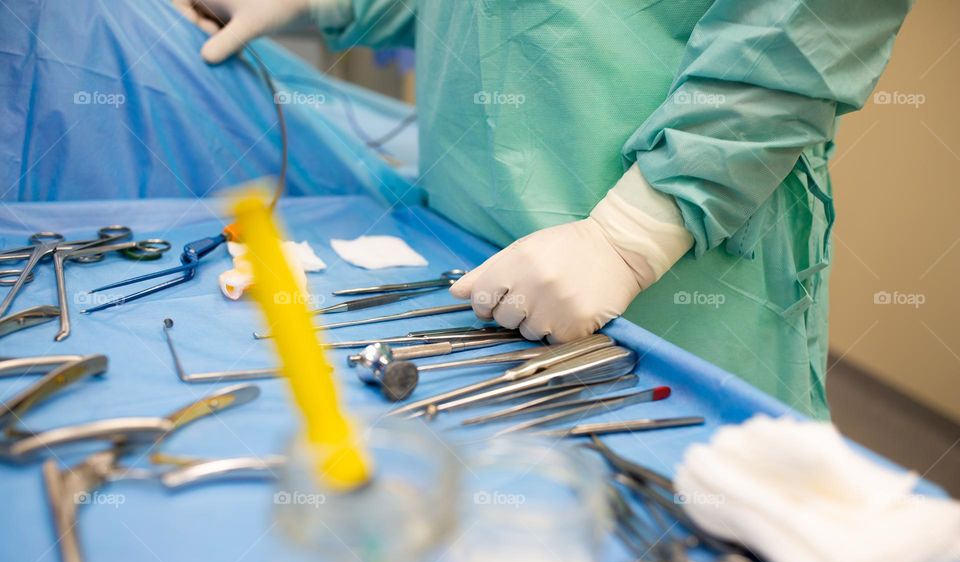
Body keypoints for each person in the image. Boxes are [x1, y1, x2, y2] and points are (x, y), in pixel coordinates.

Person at [175, 0, 913, 419]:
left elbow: (806, 22)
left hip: (679, 257)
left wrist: (635, 230)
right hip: (470, 223)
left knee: (697, 493)